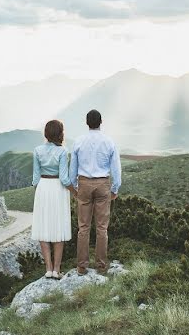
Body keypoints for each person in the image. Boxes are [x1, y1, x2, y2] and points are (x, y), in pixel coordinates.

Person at [69, 109, 122, 275]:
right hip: (103, 184)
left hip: (84, 183)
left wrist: (74, 187)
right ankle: (101, 266)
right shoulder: (109, 142)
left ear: (87, 122)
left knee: (83, 227)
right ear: (101, 122)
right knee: (102, 228)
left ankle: (82, 266)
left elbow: (73, 169)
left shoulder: (78, 141)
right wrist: (115, 189)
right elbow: (116, 169)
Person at [31, 119, 73, 279]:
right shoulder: (62, 151)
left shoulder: (37, 150)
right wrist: (74, 191)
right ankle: (56, 270)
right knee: (58, 228)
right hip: (58, 189)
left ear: (46, 133)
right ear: (60, 133)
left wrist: (40, 191)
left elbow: (35, 178)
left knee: (44, 227)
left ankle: (47, 269)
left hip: (43, 187)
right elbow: (64, 178)